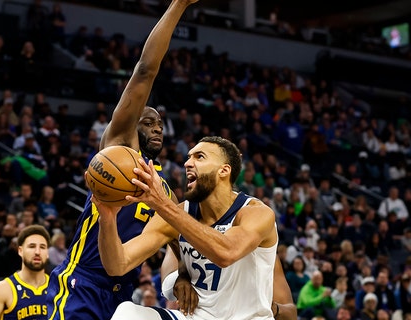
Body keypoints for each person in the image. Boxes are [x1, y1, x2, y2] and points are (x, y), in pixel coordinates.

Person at [46, 0, 195, 319]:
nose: (156, 127)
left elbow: (176, 239)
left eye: (159, 124)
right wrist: (179, 5)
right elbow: (145, 70)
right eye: (147, 121)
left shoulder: (165, 192)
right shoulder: (117, 149)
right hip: (82, 283)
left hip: (123, 295)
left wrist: (182, 271)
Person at [96, 136, 279, 319]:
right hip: (197, 316)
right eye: (189, 157)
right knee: (128, 313)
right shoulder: (176, 213)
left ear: (224, 170)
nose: (187, 163)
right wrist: (107, 218)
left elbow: (226, 252)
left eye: (199, 157)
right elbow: (118, 265)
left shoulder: (255, 213)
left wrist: (162, 204)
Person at [0, 225, 50, 320]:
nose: (37, 252)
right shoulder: (3, 288)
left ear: (47, 253)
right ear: (20, 251)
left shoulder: (59, 287)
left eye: (42, 247)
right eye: (32, 246)